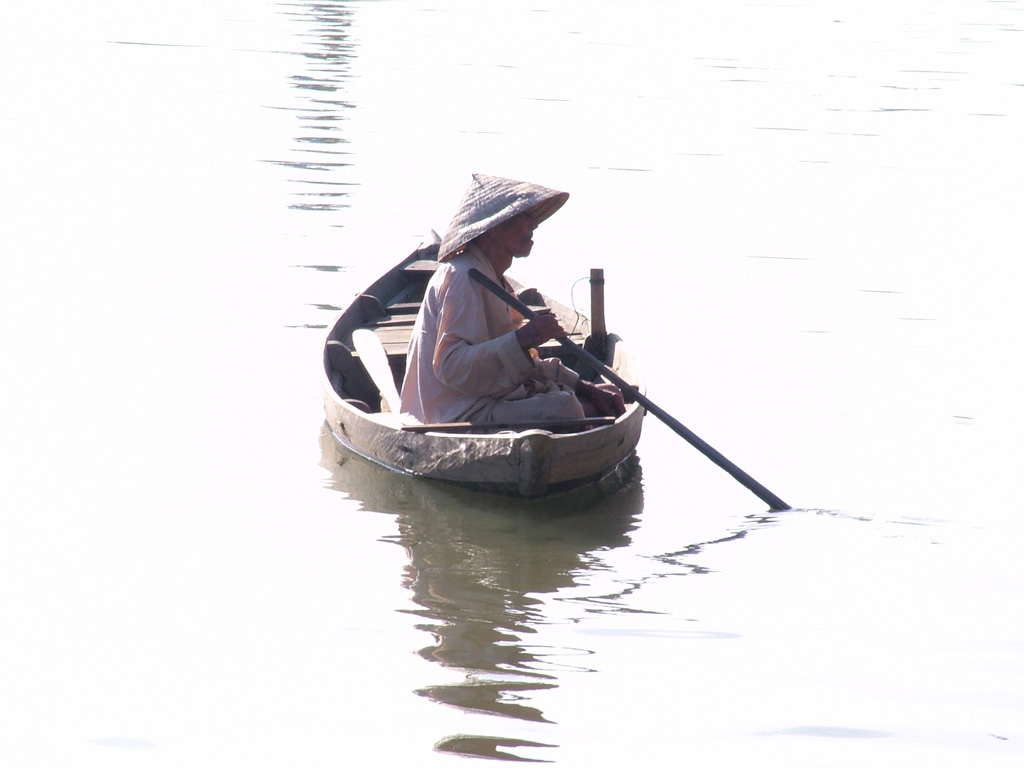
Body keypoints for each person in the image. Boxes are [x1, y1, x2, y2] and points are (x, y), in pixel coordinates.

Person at [400, 173, 625, 426]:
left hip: (489, 401)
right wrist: (521, 339)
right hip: (456, 415)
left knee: (588, 402)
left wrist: (582, 386)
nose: (535, 224)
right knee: (566, 407)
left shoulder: (493, 278)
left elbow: (518, 363)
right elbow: (450, 366)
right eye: (523, 217)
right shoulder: (462, 276)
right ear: (494, 227)